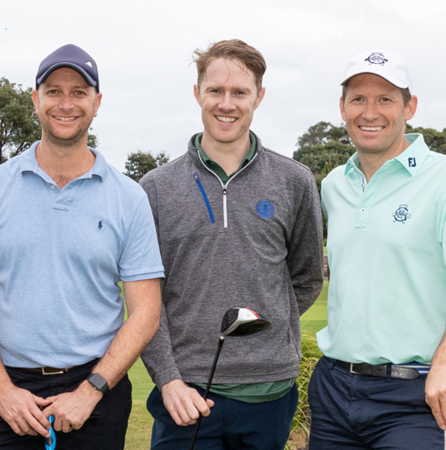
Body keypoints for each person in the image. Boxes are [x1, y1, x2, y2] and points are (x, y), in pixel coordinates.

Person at [0, 44, 164, 450]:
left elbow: (146, 311)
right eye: (53, 91)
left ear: (97, 103)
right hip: (7, 386)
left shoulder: (129, 197)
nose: (66, 103)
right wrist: (2, 391)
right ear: (35, 99)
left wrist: (91, 390)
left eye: (79, 92)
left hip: (96, 388)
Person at [138, 39, 325, 450]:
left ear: (259, 96)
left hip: (268, 392)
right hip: (183, 393)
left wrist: (268, 324)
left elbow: (307, 277)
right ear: (197, 94)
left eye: (240, 92)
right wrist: (168, 378)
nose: (227, 103)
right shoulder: (155, 188)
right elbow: (144, 300)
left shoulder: (295, 181)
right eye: (215, 91)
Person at [307, 49, 446, 449]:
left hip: (415, 396)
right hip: (334, 391)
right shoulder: (333, 186)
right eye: (358, 99)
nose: (369, 112)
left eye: (385, 99)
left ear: (410, 107)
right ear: (342, 108)